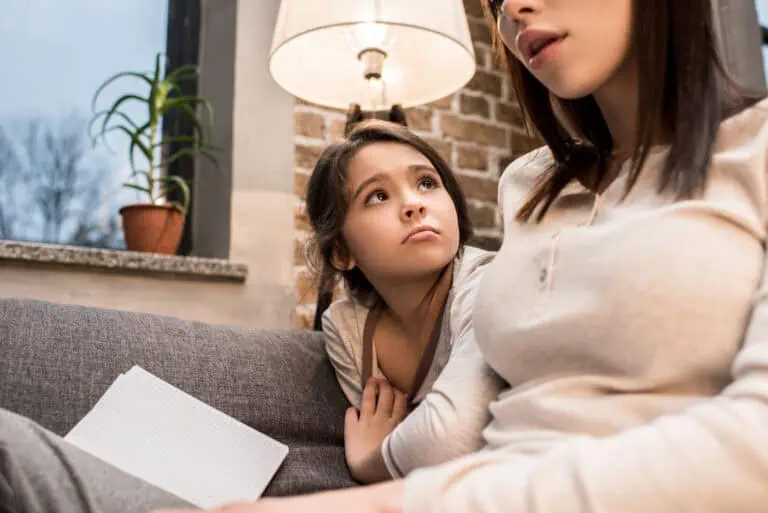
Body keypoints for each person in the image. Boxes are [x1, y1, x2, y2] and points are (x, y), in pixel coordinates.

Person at [154, 0, 768, 511]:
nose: (513, 9)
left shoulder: (754, 151)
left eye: (425, 184)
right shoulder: (531, 185)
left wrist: (375, 496)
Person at [304, 120, 500, 483]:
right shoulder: (348, 329)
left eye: (426, 183)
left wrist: (368, 463)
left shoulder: (488, 286)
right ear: (342, 252)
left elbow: (444, 443)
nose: (414, 205)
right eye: (378, 196)